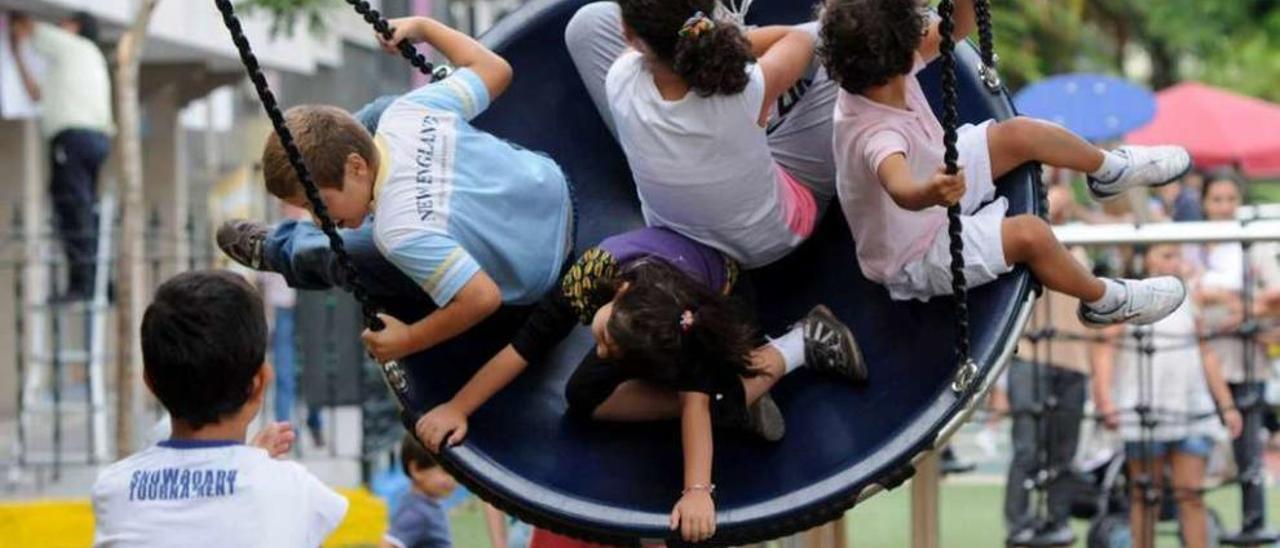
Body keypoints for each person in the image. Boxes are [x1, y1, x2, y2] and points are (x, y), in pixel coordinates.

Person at [414, 227, 866, 543]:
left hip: (721, 314)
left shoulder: (682, 333)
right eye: (607, 337)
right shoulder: (596, 272)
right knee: (583, 397)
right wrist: (458, 406)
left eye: (613, 348)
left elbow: (692, 408)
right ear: (621, 292)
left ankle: (800, 343)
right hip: (659, 322)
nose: (603, 349)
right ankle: (746, 390)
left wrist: (696, 494)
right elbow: (524, 346)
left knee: (715, 406)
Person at [218, 15, 573, 363]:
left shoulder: (396, 233)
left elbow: (482, 298)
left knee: (348, 248)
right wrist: (424, 28)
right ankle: (326, 146)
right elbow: (497, 70)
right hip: (554, 191)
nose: (318, 218)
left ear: (357, 167)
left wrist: (409, 339)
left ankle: (287, 248)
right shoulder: (409, 111)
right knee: (385, 111)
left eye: (318, 205)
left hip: (539, 274)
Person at [818, 0, 1190, 327]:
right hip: (914, 248)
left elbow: (956, 28)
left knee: (1020, 133)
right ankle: (1104, 300)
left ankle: (1109, 170)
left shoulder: (877, 70)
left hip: (934, 171)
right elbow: (900, 187)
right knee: (1030, 234)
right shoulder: (875, 134)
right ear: (900, 53)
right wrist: (929, 190)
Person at [565, 0, 839, 267]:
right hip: (770, 239)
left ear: (628, 33)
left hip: (676, 234)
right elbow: (799, 40)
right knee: (845, 35)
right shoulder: (747, 88)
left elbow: (656, 46)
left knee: (587, 24)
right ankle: (761, 118)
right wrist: (726, 45)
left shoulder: (619, 76)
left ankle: (714, 142)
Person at [91, 271, 348, 547]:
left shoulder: (112, 489)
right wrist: (251, 461)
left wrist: (249, 459)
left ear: (149, 382)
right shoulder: (296, 490)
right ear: (260, 382)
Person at [1091, 244, 1243, 548]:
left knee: (1191, 495)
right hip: (1143, 410)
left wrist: (1226, 404)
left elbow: (1207, 351)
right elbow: (1104, 350)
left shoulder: (1190, 299)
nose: (1175, 262)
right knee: (1146, 495)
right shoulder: (1128, 295)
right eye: (1166, 254)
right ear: (1146, 258)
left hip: (1191, 408)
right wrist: (1105, 400)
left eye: (1177, 255)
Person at [1003, 184, 1093, 546]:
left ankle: (1056, 518)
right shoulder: (1029, 244)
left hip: (1074, 361)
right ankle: (1019, 523)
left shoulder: (1085, 246)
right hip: (1032, 356)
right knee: (1027, 448)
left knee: (1063, 452)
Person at [1193, 169, 1278, 543]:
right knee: (1192, 440)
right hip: (1195, 360)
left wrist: (1240, 311)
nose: (1225, 207)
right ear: (1205, 204)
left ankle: (1253, 521)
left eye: (1231, 199)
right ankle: (1189, 515)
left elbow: (1274, 293)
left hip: (1243, 358)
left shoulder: (1251, 244)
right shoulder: (1190, 242)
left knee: (1247, 448)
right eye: (1217, 199)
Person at [8, 11, 114, 302]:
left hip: (74, 139)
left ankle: (84, 285)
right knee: (84, 209)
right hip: (94, 140)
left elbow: (29, 26)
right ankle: (101, 281)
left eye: (65, 22)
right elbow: (34, 94)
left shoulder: (73, 46)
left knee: (72, 208)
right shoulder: (80, 63)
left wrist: (15, 20)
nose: (59, 25)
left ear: (76, 28)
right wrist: (16, 52)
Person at [380, 434, 456, 548]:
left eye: (455, 473)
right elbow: (387, 545)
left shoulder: (425, 506)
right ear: (416, 470)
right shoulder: (417, 513)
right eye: (444, 472)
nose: (452, 479)